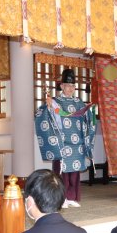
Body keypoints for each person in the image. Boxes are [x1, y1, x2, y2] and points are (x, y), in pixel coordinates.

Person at [34, 68, 96, 208]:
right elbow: (42, 114)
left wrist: (90, 110)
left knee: (74, 172)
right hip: (62, 142)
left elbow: (87, 118)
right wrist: (48, 106)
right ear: (61, 86)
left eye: (73, 86)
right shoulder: (55, 101)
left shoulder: (79, 102)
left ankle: (72, 197)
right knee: (61, 172)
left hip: (77, 142)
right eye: (67, 86)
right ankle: (61, 199)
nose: (70, 89)